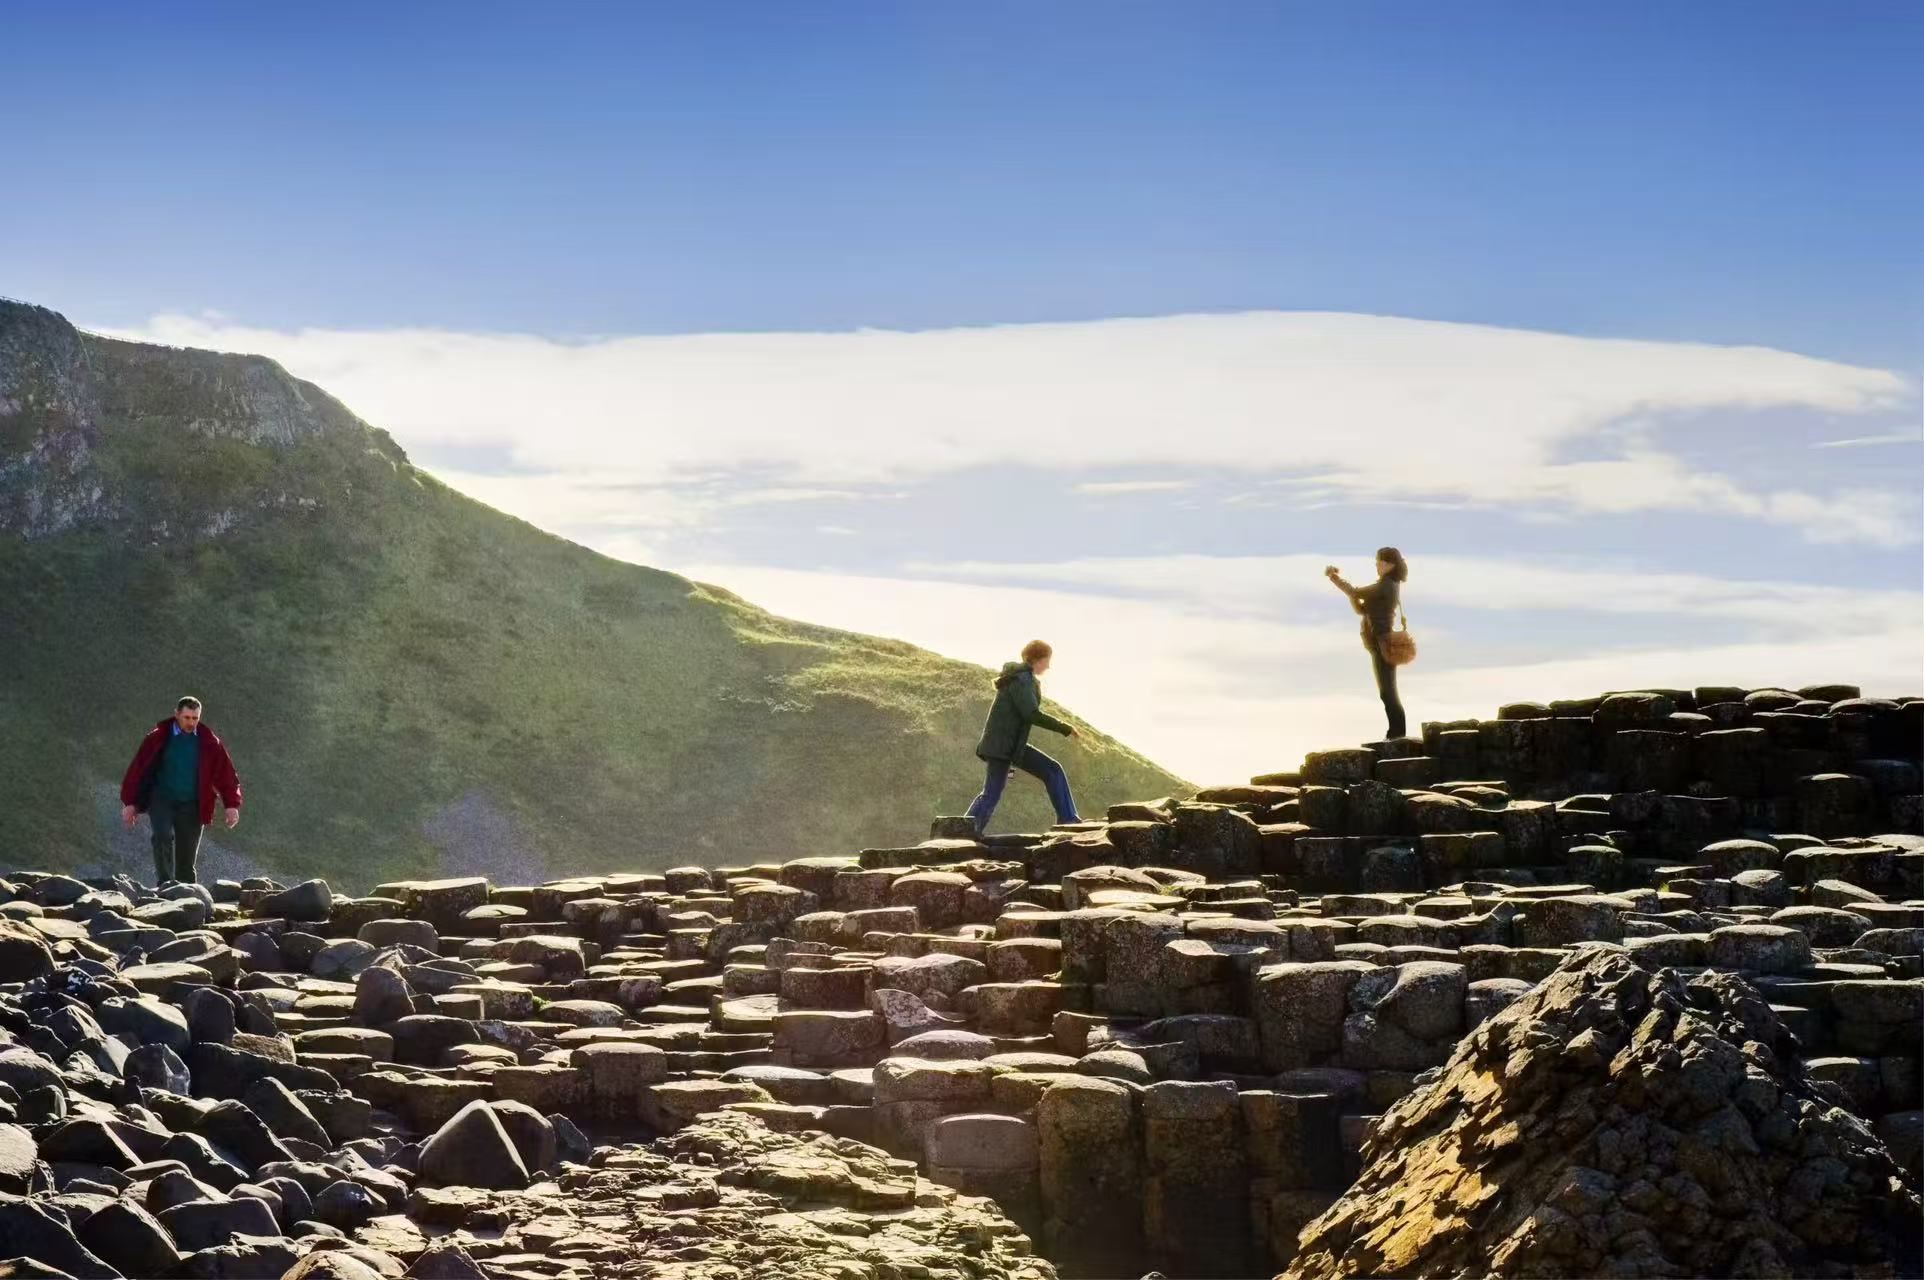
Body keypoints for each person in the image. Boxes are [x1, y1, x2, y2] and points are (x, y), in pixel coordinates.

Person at [120, 696, 242, 885]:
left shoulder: (210, 743)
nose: (191, 722)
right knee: (162, 836)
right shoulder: (157, 738)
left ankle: (187, 898)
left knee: (186, 858)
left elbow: (226, 775)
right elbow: (138, 770)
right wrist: (130, 803)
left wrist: (232, 805)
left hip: (193, 804)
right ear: (176, 714)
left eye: (195, 718)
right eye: (186, 717)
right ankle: (166, 885)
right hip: (161, 799)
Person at [965, 639, 1082, 834]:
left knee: (994, 792)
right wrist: (1065, 728)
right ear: (1039, 659)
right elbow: (1031, 714)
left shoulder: (1020, 677)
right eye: (1047, 660)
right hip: (1004, 747)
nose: (1049, 665)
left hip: (1006, 747)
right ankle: (1068, 819)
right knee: (1050, 771)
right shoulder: (1022, 679)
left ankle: (964, 829)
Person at [1325, 548, 1410, 739]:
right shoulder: (1387, 585)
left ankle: (1397, 734)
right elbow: (1362, 609)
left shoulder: (1386, 585)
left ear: (1390, 565)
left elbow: (1355, 592)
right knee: (1387, 691)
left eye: (1379, 562)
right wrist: (1353, 597)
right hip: (1378, 643)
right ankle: (1395, 732)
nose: (1376, 565)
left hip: (1382, 644)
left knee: (1388, 692)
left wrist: (1334, 578)